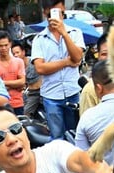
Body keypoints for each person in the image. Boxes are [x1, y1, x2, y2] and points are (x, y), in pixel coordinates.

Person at [31, 0, 85, 139]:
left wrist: (64, 34)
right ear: (45, 13)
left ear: (63, 11)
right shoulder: (39, 39)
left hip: (73, 92)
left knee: (76, 136)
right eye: (51, 13)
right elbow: (40, 68)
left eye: (60, 13)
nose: (56, 17)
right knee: (57, 138)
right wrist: (66, 62)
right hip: (51, 96)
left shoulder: (75, 32)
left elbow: (77, 57)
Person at [0, 31, 26, 115]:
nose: (4, 48)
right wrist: (15, 84)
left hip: (18, 104)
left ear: (10, 44)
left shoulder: (19, 62)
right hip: (2, 106)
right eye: (1, 46)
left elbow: (22, 82)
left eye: (6, 45)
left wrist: (2, 82)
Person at [79, 33, 108, 116]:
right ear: (98, 56)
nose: (109, 58)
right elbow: (87, 126)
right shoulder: (90, 89)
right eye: (104, 54)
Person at [11, 42, 42, 118]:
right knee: (24, 114)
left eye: (17, 52)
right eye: (13, 54)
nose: (16, 55)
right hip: (31, 93)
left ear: (23, 52)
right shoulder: (16, 66)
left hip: (42, 90)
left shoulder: (34, 61)